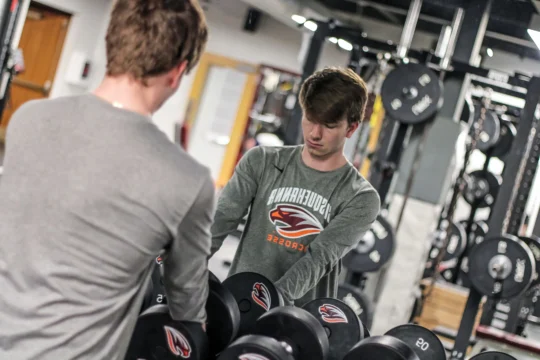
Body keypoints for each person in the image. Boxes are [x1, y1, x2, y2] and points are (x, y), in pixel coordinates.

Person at [0, 1, 213, 359]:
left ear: (112, 42)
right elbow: (188, 310)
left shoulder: (28, 119)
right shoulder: (188, 182)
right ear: (177, 73)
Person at [211, 67, 381, 306]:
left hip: (297, 322)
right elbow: (221, 219)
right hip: (239, 302)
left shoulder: (360, 197)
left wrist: (270, 302)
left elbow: (319, 257)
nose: (315, 133)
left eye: (329, 126)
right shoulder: (261, 161)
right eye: (310, 119)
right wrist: (184, 267)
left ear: (351, 128)